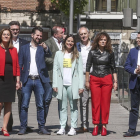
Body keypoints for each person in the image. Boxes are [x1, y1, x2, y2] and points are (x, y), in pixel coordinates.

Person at [18, 26, 52, 135]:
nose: (39, 37)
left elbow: (49, 55)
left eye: (41, 36)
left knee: (41, 105)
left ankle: (41, 127)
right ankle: (23, 127)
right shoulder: (24, 48)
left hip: (39, 80)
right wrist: (19, 80)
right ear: (32, 35)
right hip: (27, 80)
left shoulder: (42, 47)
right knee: (24, 105)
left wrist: (46, 48)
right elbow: (19, 64)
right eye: (37, 35)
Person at [85, 32, 117, 136]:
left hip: (107, 78)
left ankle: (103, 126)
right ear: (97, 41)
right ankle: (95, 125)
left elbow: (113, 67)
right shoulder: (92, 52)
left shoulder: (110, 53)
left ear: (107, 41)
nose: (103, 41)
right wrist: (87, 81)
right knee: (95, 103)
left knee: (105, 103)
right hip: (94, 78)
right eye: (101, 40)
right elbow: (88, 66)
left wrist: (115, 81)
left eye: (105, 40)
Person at [53, 34, 84, 136]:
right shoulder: (58, 54)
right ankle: (62, 127)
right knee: (62, 106)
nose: (70, 43)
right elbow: (55, 69)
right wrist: (55, 84)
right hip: (62, 84)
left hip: (73, 84)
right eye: (68, 41)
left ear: (74, 43)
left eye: (72, 41)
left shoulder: (77, 55)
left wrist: (81, 86)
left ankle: (73, 127)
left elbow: (80, 71)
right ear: (65, 42)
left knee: (73, 106)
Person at [7, 21, 29, 132]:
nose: (15, 31)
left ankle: (23, 125)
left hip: (22, 77)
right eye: (13, 29)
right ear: (9, 30)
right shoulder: (4, 43)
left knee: (23, 101)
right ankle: (8, 124)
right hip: (8, 77)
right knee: (7, 101)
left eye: (17, 29)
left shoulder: (25, 43)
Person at [0, 28, 20, 136]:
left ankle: (4, 128)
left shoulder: (14, 50)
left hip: (10, 80)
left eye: (8, 34)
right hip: (0, 79)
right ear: (1, 36)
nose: (6, 36)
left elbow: (17, 66)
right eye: (4, 34)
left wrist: (17, 81)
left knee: (8, 104)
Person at [124, 32, 140, 137]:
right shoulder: (133, 51)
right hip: (135, 82)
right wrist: (134, 71)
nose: (138, 40)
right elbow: (126, 65)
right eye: (137, 38)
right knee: (134, 108)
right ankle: (131, 130)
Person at [76, 26, 92, 133]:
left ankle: (98, 124)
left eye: (84, 34)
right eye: (81, 34)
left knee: (96, 102)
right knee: (83, 101)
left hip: (94, 75)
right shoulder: (77, 46)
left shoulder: (95, 46)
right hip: (81, 76)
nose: (83, 36)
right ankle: (84, 125)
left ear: (88, 33)